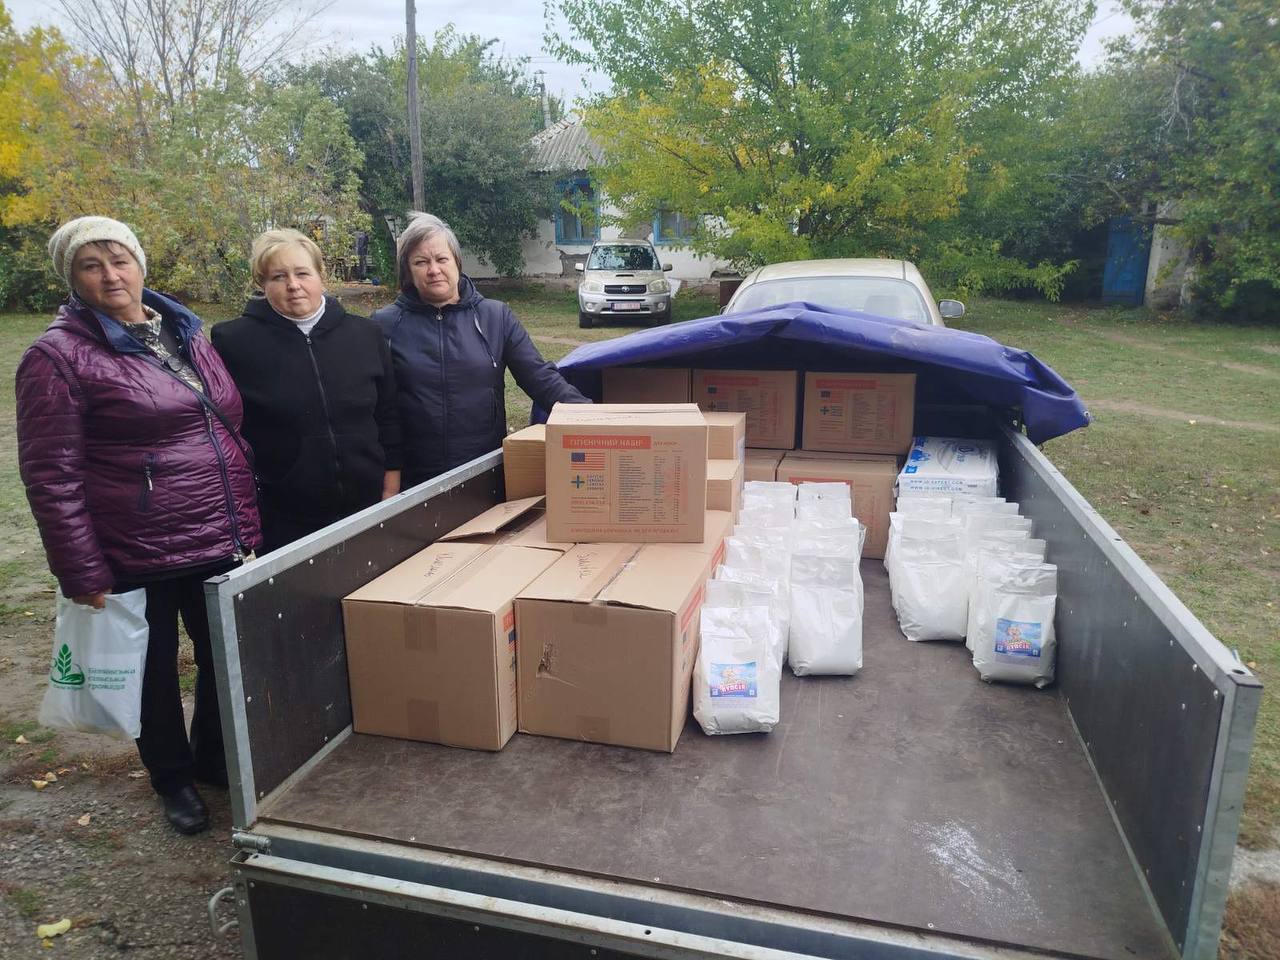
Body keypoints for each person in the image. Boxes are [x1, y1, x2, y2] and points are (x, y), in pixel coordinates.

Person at [16, 216, 261, 836]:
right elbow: (50, 475)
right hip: (137, 542)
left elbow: (220, 421)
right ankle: (172, 779)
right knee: (151, 670)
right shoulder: (57, 357)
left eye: (119, 260)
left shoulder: (183, 330)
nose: (110, 275)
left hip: (218, 529)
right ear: (71, 279)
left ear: (140, 264)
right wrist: (80, 569)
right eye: (91, 265)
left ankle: (212, 757)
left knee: (222, 656)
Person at [211, 229, 402, 551]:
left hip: (369, 504)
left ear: (320, 276)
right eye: (278, 276)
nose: (293, 285)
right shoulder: (233, 343)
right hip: (286, 517)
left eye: (302, 273)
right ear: (261, 283)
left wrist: (391, 486)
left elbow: (388, 414)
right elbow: (228, 433)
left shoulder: (366, 334)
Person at [372, 212, 589, 488]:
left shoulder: (495, 317)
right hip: (414, 481)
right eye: (421, 262)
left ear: (456, 261)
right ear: (408, 271)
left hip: (483, 473)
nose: (433, 269)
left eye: (441, 259)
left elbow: (541, 378)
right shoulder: (384, 325)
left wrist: (593, 417)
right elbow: (375, 410)